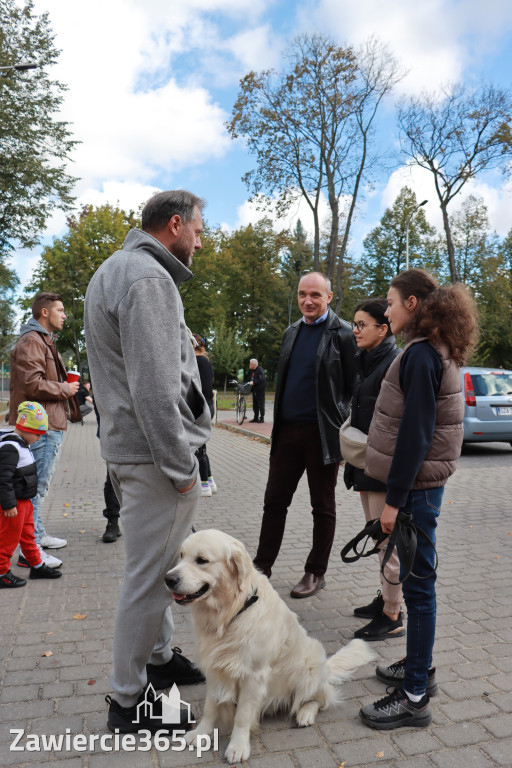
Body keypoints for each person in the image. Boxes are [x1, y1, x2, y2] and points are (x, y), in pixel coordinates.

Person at [84, 189, 211, 734]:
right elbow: (156, 392)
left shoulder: (115, 270)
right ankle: (127, 699)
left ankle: (159, 661)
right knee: (148, 578)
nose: (201, 242)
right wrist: (184, 470)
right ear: (175, 224)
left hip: (131, 452)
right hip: (156, 459)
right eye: (199, 232)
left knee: (162, 569)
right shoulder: (148, 279)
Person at [359, 269, 478, 730]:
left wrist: (393, 500)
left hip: (415, 491)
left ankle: (413, 697)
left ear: (411, 304)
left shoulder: (422, 355)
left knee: (418, 587)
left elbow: (416, 435)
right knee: (417, 582)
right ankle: (419, 669)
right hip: (425, 487)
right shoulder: (435, 350)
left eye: (389, 303)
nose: (385, 311)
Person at [253, 272, 357, 598]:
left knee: (322, 506)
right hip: (286, 433)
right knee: (274, 503)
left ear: (328, 296)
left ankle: (316, 572)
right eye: (302, 294)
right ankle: (261, 567)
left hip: (321, 434)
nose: (307, 301)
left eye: (315, 294)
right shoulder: (291, 332)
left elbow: (354, 388)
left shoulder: (343, 334)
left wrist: (345, 427)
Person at [343, 298, 402, 640]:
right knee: (378, 536)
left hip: (382, 467)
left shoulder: (393, 363)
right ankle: (387, 599)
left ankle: (392, 615)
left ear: (384, 328)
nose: (355, 330)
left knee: (387, 543)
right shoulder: (367, 360)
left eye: (362, 324)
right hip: (367, 463)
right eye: (354, 323)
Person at [9, 292, 80, 569]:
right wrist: (65, 389)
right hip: (41, 426)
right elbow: (32, 384)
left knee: (38, 487)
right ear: (44, 313)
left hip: (47, 423)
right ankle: (31, 552)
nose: (65, 315)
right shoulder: (32, 341)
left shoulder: (43, 341)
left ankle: (36, 536)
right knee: (33, 489)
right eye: (60, 310)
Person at [0, 402, 62, 587]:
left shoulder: (22, 444)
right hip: (14, 506)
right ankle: (2, 572)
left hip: (24, 503)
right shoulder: (11, 447)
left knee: (29, 537)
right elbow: (3, 479)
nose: (38, 439)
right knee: (8, 539)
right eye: (37, 434)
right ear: (25, 428)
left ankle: (36, 564)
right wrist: (9, 504)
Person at [191, 332, 217, 497]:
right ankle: (209, 479)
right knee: (202, 446)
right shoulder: (205, 361)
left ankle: (204, 484)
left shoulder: (196, 362)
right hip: (207, 405)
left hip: (200, 406)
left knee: (197, 447)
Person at [248, 358, 266, 423]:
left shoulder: (260, 370)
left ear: (253, 364)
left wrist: (254, 382)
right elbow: (251, 378)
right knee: (255, 405)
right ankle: (255, 417)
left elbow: (261, 379)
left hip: (260, 390)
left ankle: (261, 418)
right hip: (254, 390)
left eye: (250, 364)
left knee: (260, 404)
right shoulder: (252, 370)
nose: (249, 365)